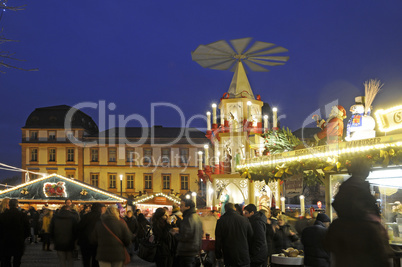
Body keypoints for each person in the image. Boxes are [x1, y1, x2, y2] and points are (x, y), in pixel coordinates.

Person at [326, 158, 392, 267]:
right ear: (364, 170)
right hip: (362, 225)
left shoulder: (347, 185)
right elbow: (366, 205)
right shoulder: (359, 186)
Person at [215, 202, 253, 267]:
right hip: (243, 255)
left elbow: (218, 240)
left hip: (229, 256)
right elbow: (251, 235)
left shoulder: (221, 221)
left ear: (225, 209)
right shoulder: (244, 219)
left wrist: (218, 255)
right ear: (234, 209)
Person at [171, 198, 203, 267]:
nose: (180, 208)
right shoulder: (197, 217)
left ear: (188, 207)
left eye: (182, 205)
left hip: (186, 252)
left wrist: (175, 234)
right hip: (195, 251)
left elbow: (185, 236)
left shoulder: (188, 218)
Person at [0, 199, 30, 267]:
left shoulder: (3, 215)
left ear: (9, 205)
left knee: (6, 260)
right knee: (17, 260)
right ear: (17, 205)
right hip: (18, 241)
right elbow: (27, 229)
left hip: (6, 241)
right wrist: (23, 237)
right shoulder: (22, 215)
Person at [77, 203, 105, 267]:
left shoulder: (86, 216)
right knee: (96, 261)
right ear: (100, 209)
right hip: (97, 242)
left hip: (85, 242)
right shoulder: (102, 217)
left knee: (86, 260)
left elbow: (79, 228)